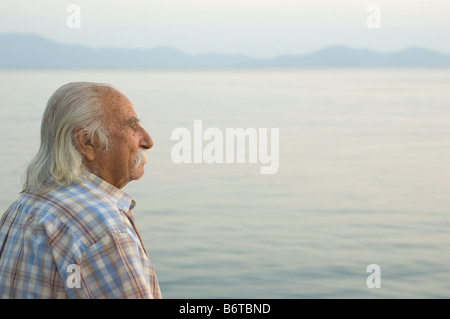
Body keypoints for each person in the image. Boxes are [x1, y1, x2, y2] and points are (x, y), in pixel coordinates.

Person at [0, 82, 162, 299]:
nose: (148, 141)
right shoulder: (102, 226)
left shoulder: (21, 208)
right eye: (132, 126)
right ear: (86, 141)